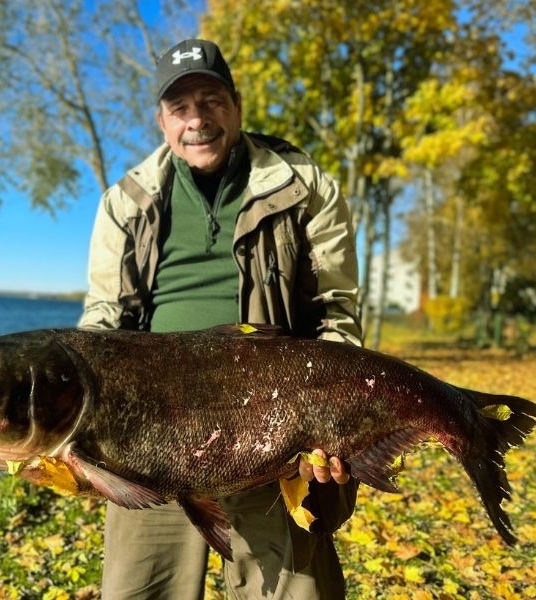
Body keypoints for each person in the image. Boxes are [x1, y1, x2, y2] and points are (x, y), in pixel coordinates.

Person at [79, 38, 361, 600]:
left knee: (296, 592)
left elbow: (337, 311)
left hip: (276, 431)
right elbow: (102, 325)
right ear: (161, 120)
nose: (197, 120)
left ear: (236, 105)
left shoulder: (303, 187)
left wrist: (335, 425)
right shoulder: (126, 202)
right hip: (148, 441)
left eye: (211, 101)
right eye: (180, 107)